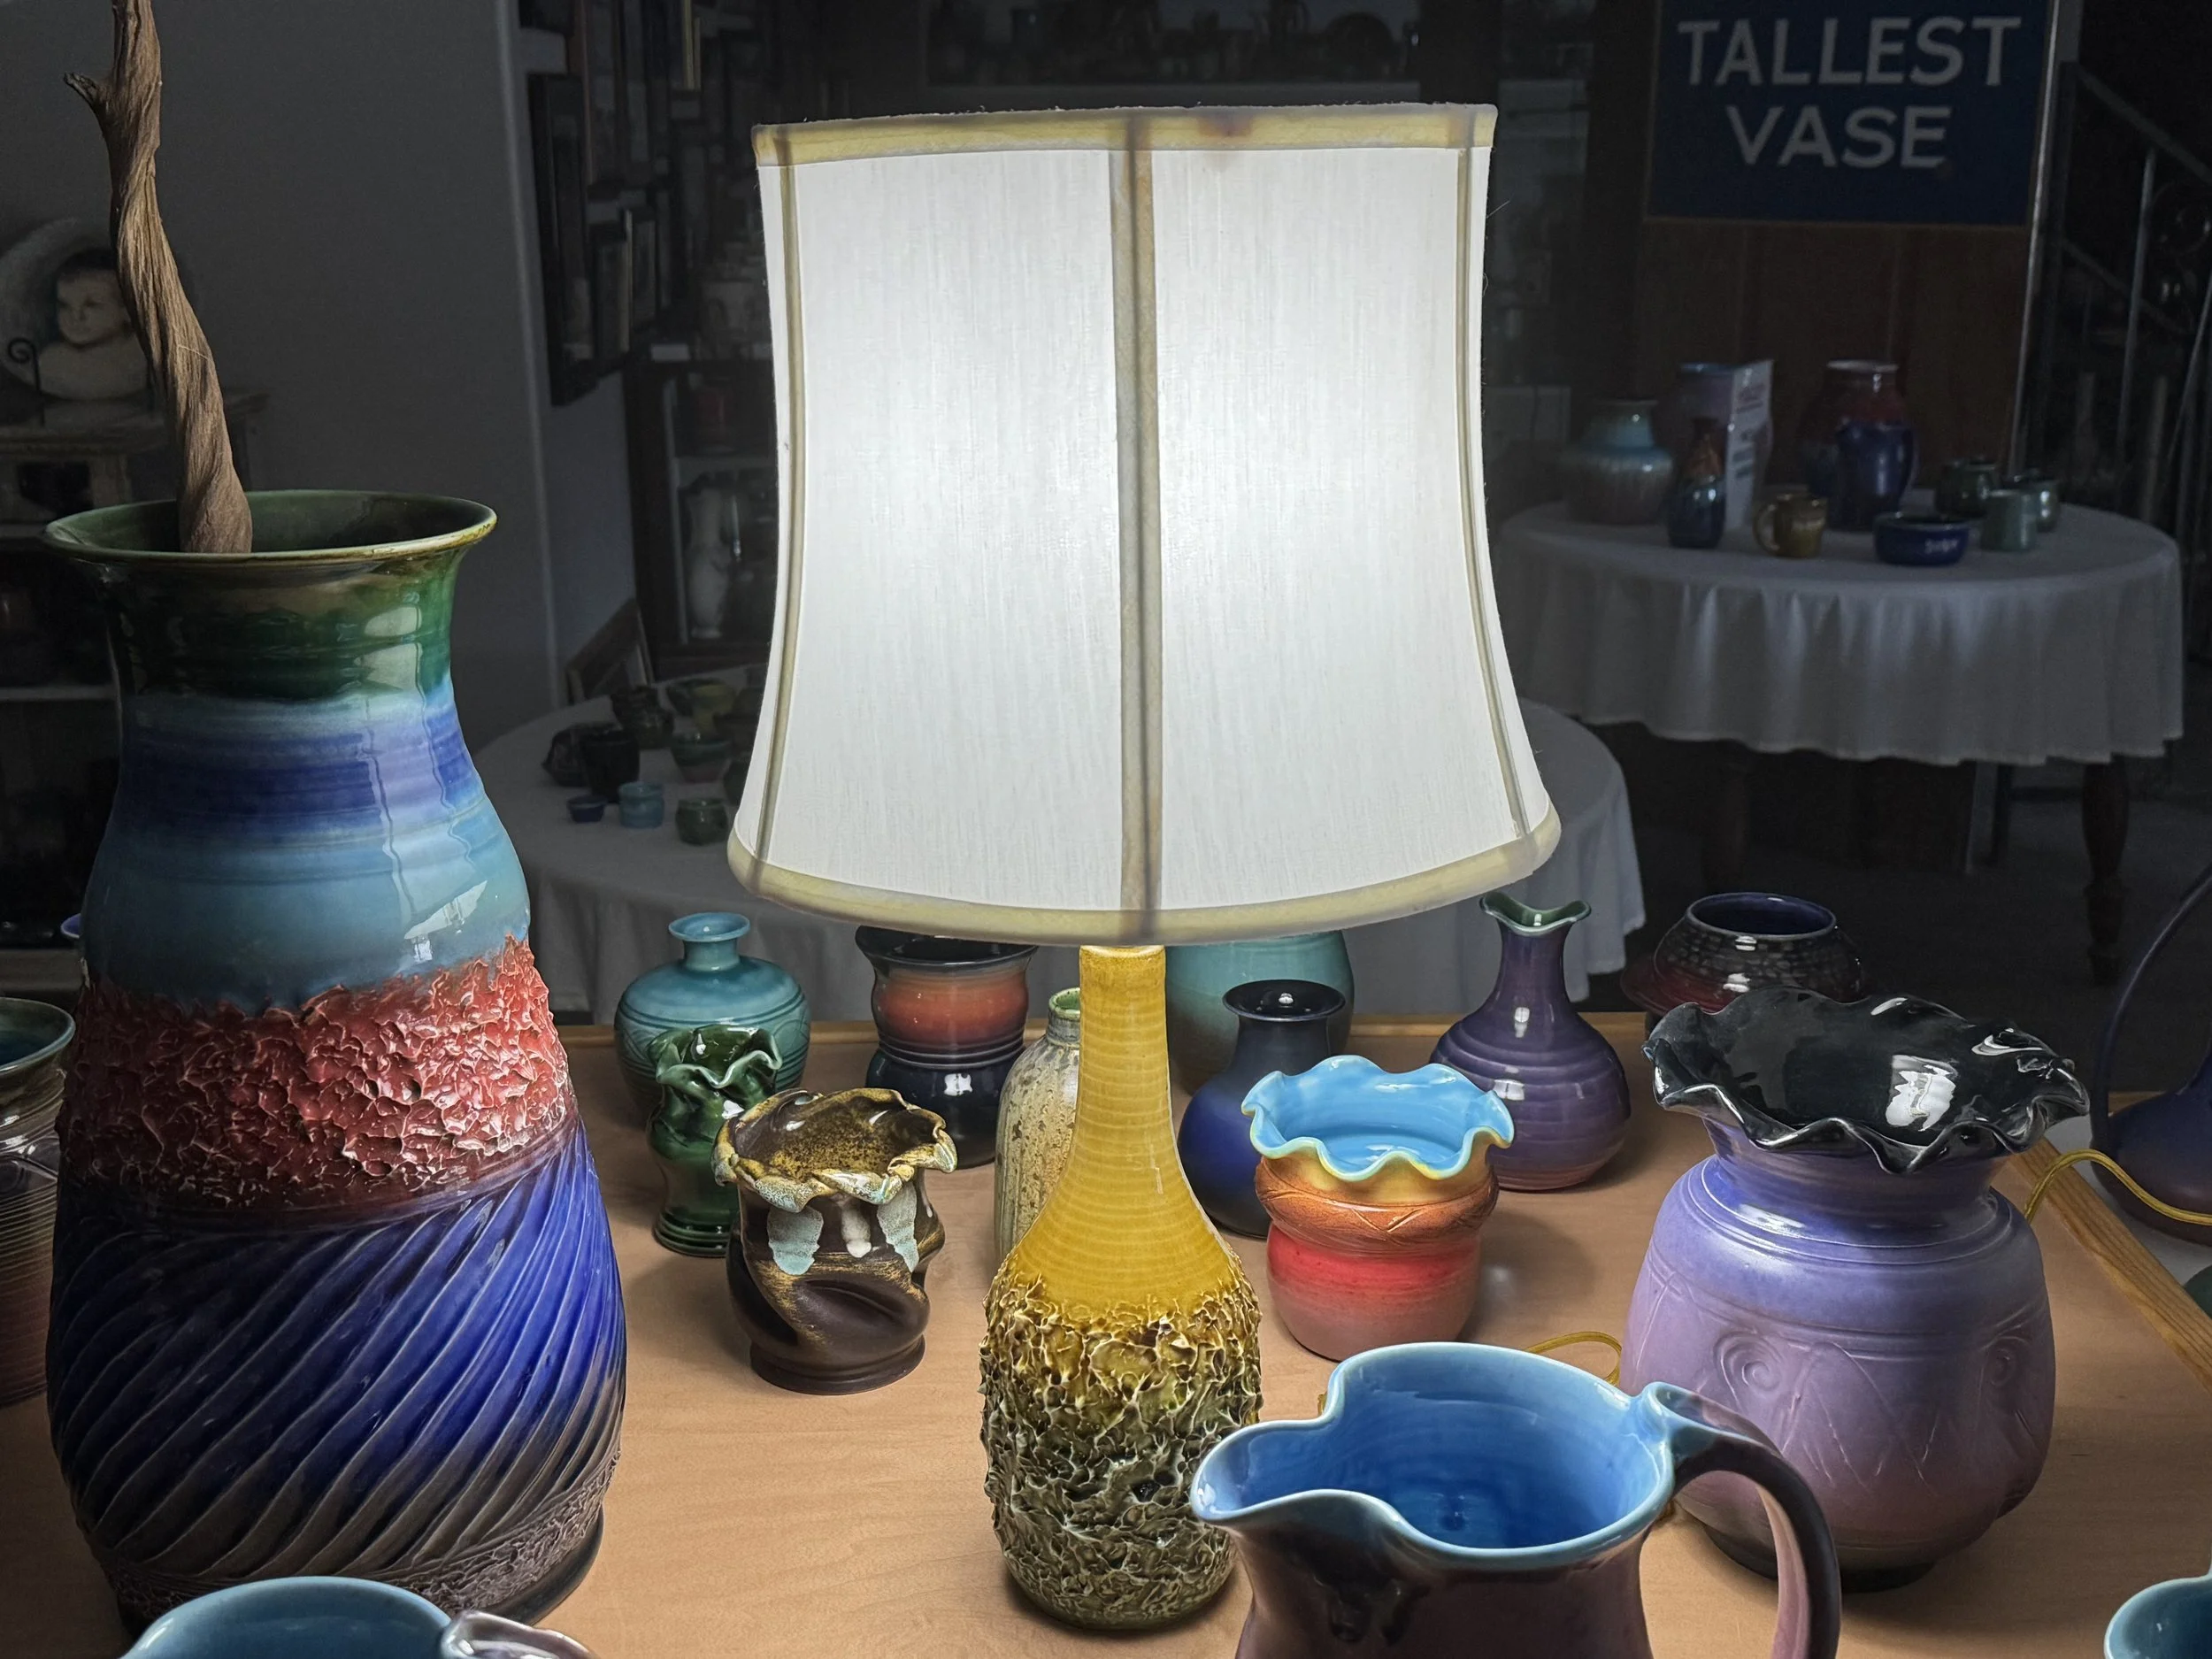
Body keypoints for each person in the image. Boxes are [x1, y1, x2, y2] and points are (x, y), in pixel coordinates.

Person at [36, 248, 146, 401]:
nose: (75, 316)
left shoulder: (142, 359)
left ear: (128, 311)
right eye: (64, 305)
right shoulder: (51, 362)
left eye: (92, 304)